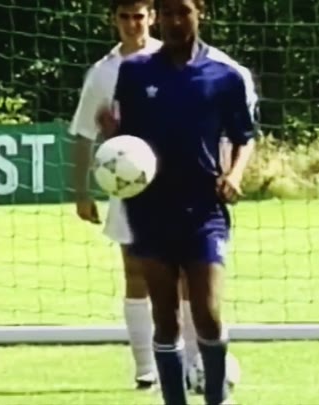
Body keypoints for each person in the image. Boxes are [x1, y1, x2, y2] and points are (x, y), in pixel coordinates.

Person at [99, 0, 258, 402]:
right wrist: (111, 134)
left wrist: (234, 175)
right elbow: (128, 143)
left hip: (204, 209)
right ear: (158, 16)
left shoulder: (224, 76)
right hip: (150, 209)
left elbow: (244, 136)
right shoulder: (134, 72)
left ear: (200, 13)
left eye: (183, 12)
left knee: (207, 312)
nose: (174, 20)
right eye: (167, 12)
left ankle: (217, 396)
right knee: (165, 318)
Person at [69, 0, 195, 390]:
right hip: (129, 185)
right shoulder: (102, 72)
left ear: (151, 18)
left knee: (186, 275)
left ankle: (194, 362)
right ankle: (145, 368)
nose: (131, 24)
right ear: (114, 20)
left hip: (177, 181)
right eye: (124, 17)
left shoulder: (176, 57)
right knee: (136, 273)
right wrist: (80, 191)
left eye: (138, 16)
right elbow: (83, 132)